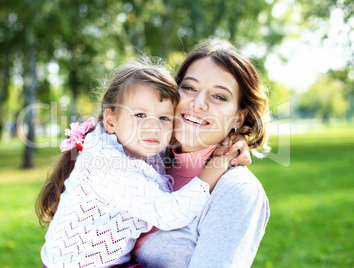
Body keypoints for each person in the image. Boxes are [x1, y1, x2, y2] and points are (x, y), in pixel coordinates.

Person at [36, 60, 241, 268]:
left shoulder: (137, 147)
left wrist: (235, 137)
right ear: (111, 121)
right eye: (140, 115)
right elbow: (169, 214)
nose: (152, 127)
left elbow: (192, 139)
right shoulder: (106, 164)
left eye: (163, 118)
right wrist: (216, 165)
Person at [132, 39, 270, 267]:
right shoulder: (146, 158)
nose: (198, 103)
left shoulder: (236, 190)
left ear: (239, 117)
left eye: (219, 96)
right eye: (189, 88)